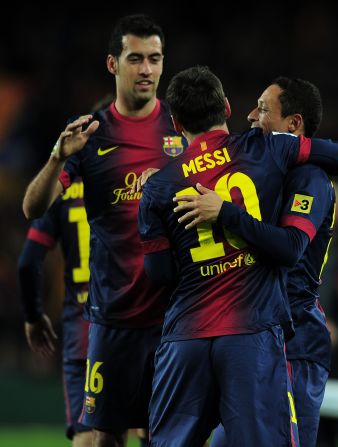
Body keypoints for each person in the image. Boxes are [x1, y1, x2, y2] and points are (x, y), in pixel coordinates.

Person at [138, 66, 338, 446]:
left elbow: (289, 249)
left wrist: (223, 210)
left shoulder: (309, 178)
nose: (251, 116)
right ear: (222, 106)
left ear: (293, 124)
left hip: (293, 338)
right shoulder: (260, 158)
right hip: (250, 334)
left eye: (262, 108)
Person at [22, 14, 179, 447]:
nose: (146, 69)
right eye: (135, 58)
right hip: (111, 320)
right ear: (113, 64)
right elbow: (33, 207)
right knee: (104, 438)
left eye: (154, 58)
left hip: (172, 318)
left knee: (165, 435)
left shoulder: (180, 129)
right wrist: (56, 158)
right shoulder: (91, 134)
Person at [18, 178, 91, 447]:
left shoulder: (60, 189)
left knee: (88, 433)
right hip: (134, 321)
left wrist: (33, 316)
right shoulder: (128, 175)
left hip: (81, 331)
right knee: (153, 425)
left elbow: (27, 263)